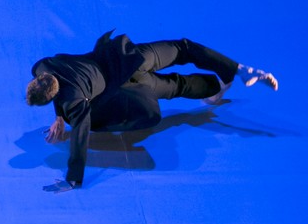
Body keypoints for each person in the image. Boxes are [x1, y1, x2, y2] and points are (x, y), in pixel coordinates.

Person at [25, 30, 279, 192]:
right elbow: (58, 86)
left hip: (128, 84)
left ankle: (217, 87)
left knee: (176, 86)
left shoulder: (72, 100)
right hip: (130, 57)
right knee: (183, 48)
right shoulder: (42, 66)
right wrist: (59, 114)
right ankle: (237, 71)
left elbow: (81, 135)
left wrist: (73, 179)